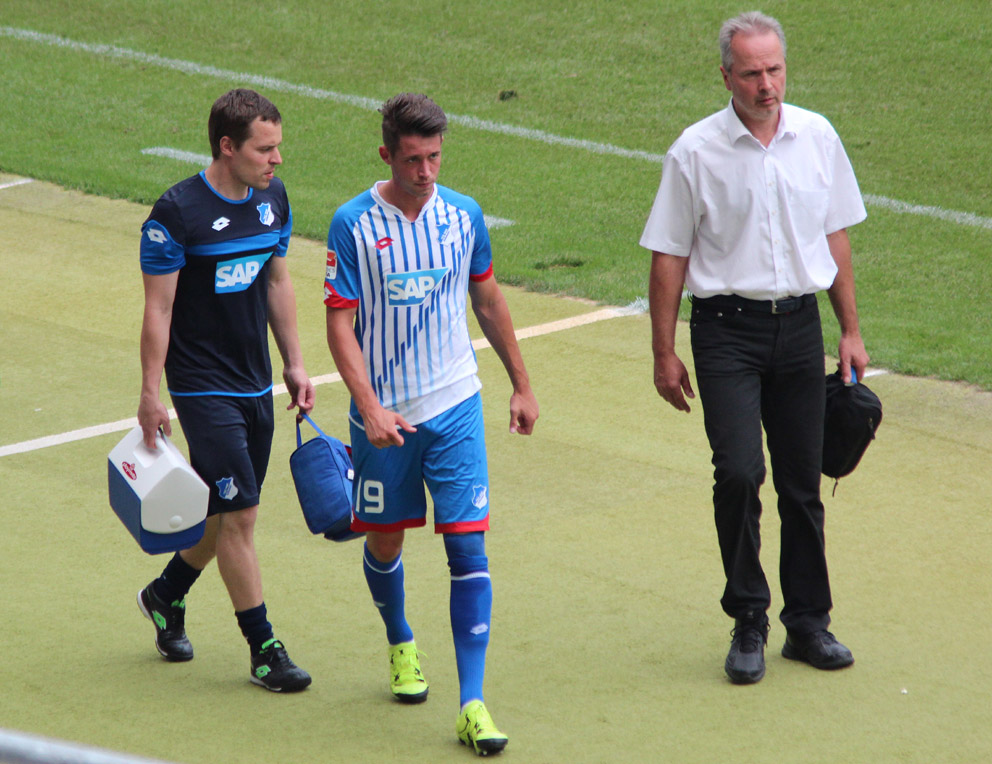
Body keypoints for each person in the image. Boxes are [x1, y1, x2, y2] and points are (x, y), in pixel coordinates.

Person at [641, 11, 869, 685]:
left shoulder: (817, 136)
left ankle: (808, 624)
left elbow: (836, 238)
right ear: (725, 76)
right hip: (725, 332)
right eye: (751, 73)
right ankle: (748, 618)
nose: (767, 85)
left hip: (800, 328)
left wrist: (850, 331)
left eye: (775, 70)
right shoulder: (694, 151)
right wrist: (663, 352)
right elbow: (668, 257)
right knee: (740, 472)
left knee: (803, 482)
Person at [324, 92, 538, 755]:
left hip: (455, 405)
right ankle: (399, 641)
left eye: (435, 158)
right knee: (385, 541)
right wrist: (367, 405)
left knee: (468, 548)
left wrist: (522, 383)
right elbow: (339, 322)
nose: (425, 171)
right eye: (413, 159)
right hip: (384, 418)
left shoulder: (464, 216)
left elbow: (487, 296)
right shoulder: (352, 224)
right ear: (386, 154)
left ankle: (472, 704)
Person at [135, 88, 315, 692]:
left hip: (253, 382)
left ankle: (166, 594)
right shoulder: (176, 214)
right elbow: (158, 310)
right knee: (242, 515)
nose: (277, 161)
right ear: (227, 146)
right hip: (201, 388)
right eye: (265, 149)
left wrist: (293, 362)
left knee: (222, 513)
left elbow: (277, 281)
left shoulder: (272, 199)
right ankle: (264, 650)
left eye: (279, 147)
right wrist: (150, 393)